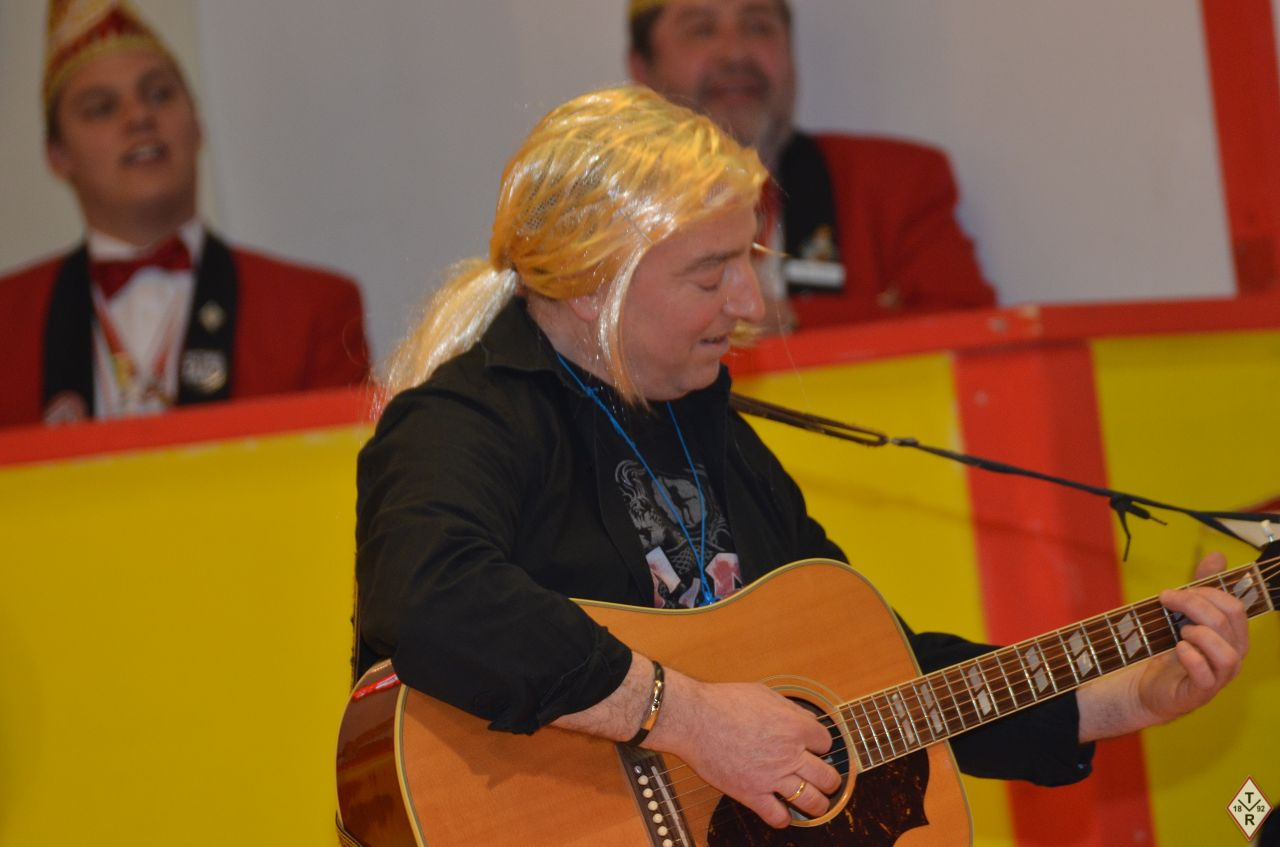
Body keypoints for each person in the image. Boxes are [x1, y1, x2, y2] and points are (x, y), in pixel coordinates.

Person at [355, 86, 1249, 833]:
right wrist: (692, 720)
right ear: (593, 286)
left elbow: (875, 674)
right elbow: (433, 598)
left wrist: (1128, 696)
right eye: (710, 274)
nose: (750, 302)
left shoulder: (705, 423)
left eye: (749, 260)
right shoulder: (467, 419)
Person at [0, 0, 370, 429]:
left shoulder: (314, 311)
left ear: (197, 124)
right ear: (57, 155)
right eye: (101, 107)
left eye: (159, 94)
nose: (140, 116)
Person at [627, 0, 996, 333]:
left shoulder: (896, 183)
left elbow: (973, 331)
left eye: (758, 26)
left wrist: (787, 319)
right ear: (642, 69)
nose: (735, 52)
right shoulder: (609, 213)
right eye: (701, 29)